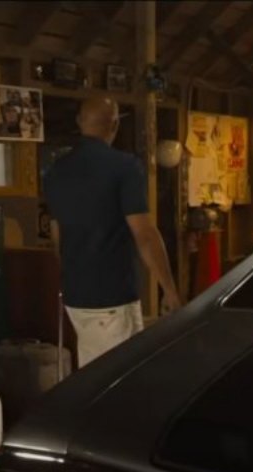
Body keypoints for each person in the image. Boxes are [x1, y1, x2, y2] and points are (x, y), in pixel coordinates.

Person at [43, 97, 181, 368]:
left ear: (79, 122)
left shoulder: (55, 171)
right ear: (115, 125)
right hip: (111, 295)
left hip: (75, 295)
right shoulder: (124, 167)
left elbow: (57, 235)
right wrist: (170, 290)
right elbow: (144, 234)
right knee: (120, 379)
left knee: (94, 372)